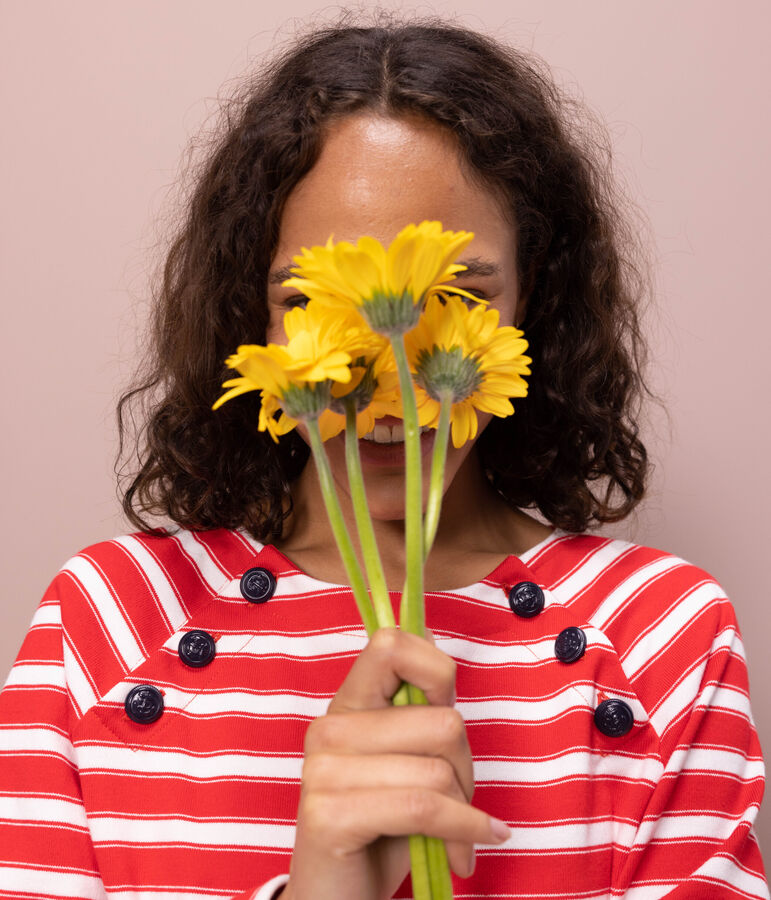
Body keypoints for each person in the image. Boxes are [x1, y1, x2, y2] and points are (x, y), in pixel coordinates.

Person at [0, 15, 767, 900]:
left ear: (533, 306)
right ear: (251, 317)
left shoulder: (663, 636)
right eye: (313, 299)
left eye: (454, 295)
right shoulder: (107, 625)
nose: (385, 372)